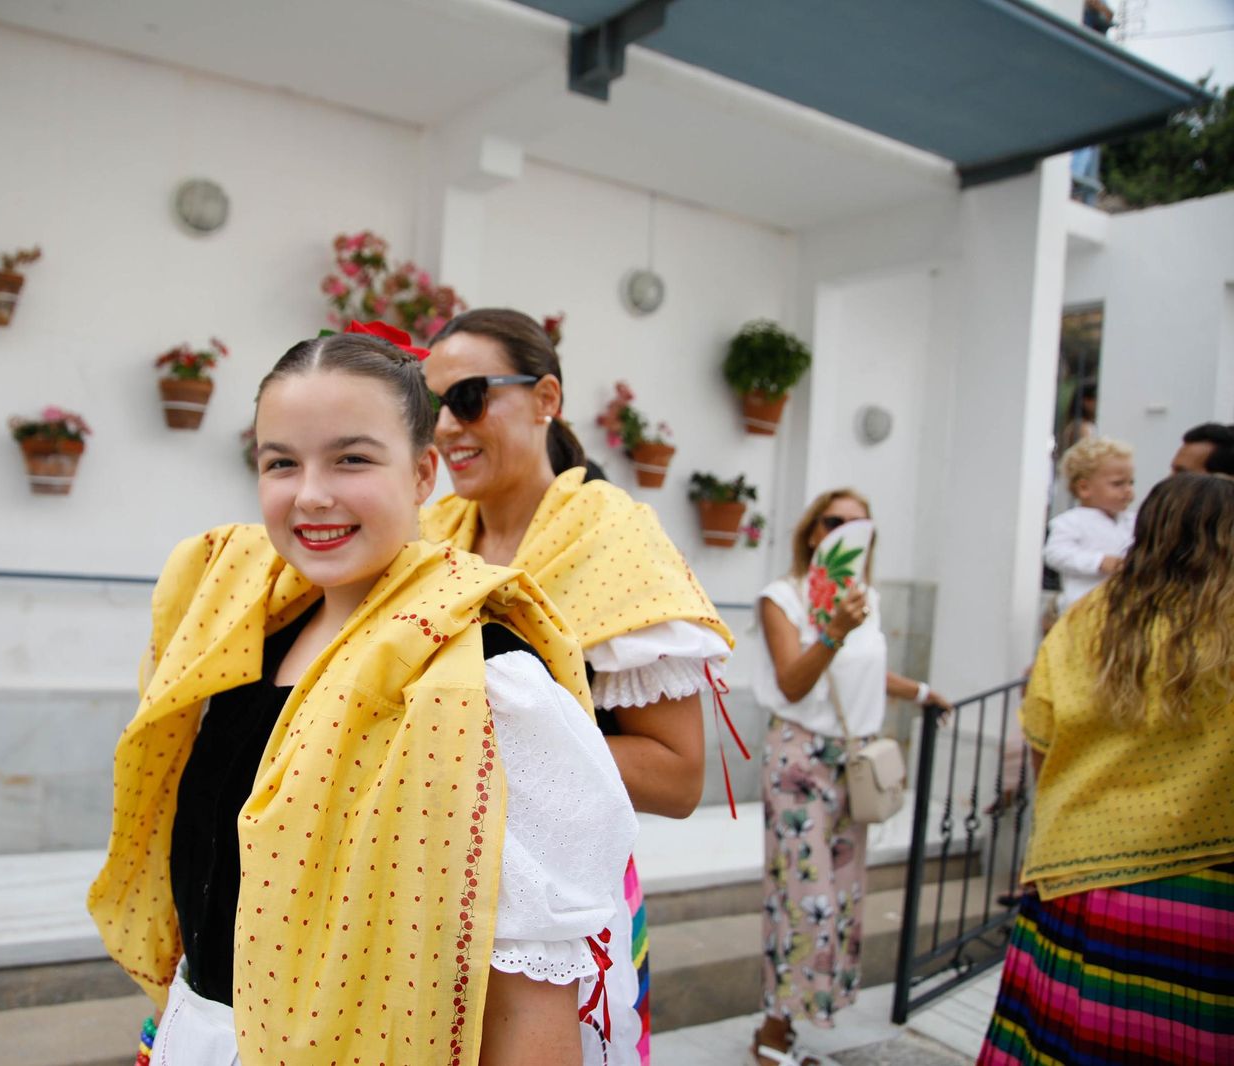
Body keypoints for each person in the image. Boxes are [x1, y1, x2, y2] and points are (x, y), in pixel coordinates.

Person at [88, 327, 638, 1065]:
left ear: (422, 473)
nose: (311, 495)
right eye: (281, 462)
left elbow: (526, 1007)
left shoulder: (481, 681)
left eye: (352, 459)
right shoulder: (240, 642)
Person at [419, 308, 737, 1066]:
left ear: (546, 399)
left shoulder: (615, 542)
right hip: (436, 892)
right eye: (430, 406)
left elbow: (679, 777)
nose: (446, 427)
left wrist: (482, 736)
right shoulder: (428, 536)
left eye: (468, 398)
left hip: (567, 907)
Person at [978, 472, 1234, 1066]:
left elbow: (1041, 737)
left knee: (1065, 1040)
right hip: (1208, 885)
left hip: (1079, 873)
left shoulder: (1087, 618)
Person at [749, 488, 952, 1066]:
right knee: (803, 895)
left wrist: (920, 691)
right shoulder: (783, 597)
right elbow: (794, 683)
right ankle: (772, 1030)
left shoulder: (866, 599)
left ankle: (797, 1021)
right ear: (812, 531)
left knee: (840, 896)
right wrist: (833, 630)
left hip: (852, 760)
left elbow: (863, 671)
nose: (843, 533)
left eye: (859, 524)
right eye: (833, 521)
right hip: (799, 759)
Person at [1044, 436, 1135, 615]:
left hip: (1121, 608)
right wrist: (1098, 562)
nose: (1128, 490)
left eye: (1131, 482)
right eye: (1118, 484)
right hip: (1082, 608)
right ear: (1084, 488)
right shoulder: (1071, 522)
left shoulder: (1133, 521)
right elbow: (1055, 554)